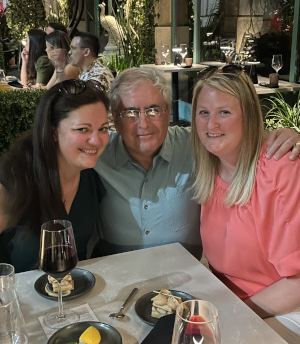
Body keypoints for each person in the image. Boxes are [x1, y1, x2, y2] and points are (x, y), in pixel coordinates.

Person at [94, 67, 300, 259]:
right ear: (115, 119)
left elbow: (236, 138)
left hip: (186, 280)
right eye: (130, 112)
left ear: (168, 113)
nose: (143, 123)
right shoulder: (97, 153)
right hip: (117, 276)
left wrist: (291, 137)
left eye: (153, 110)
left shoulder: (199, 144)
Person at [191, 71, 300, 344]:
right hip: (226, 301)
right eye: (203, 112)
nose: (211, 123)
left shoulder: (280, 168)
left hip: (283, 310)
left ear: (249, 116)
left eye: (224, 112)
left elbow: (297, 285)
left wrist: (232, 314)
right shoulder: (211, 168)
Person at [0, 79, 110, 272]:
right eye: (82, 129)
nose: (96, 140)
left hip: (75, 295)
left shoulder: (93, 179)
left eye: (103, 128)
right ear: (53, 133)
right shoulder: (13, 182)